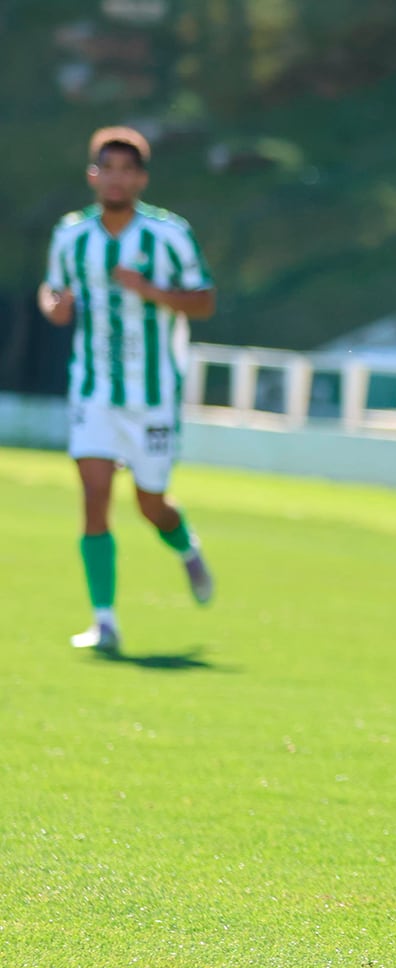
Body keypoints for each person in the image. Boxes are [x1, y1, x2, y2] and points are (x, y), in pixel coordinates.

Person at [38, 126, 217, 653]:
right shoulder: (71, 235)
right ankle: (104, 620)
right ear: (92, 174)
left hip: (154, 394)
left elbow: (204, 301)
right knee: (95, 496)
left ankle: (184, 544)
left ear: (140, 178)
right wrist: (55, 308)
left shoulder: (169, 234)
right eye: (105, 167)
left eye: (126, 169)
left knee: (150, 503)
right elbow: (52, 291)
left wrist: (150, 290)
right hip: (92, 390)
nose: (115, 177)